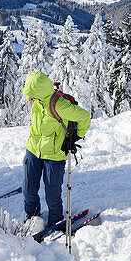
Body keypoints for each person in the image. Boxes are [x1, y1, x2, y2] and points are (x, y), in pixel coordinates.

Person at [21, 71, 91, 231]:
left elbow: (85, 117)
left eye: (32, 92)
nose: (29, 96)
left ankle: (55, 221)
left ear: (40, 91)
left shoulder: (59, 105)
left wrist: (75, 137)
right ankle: (32, 219)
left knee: (52, 192)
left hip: (54, 154)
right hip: (33, 149)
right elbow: (29, 95)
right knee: (28, 188)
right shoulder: (33, 99)